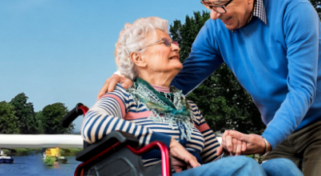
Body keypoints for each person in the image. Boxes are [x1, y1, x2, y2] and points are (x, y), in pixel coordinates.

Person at [98, 0, 321, 176]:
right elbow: (177, 81)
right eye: (208, 4)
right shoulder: (215, 29)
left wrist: (265, 142)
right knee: (276, 169)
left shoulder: (294, 11)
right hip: (278, 125)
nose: (212, 14)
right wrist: (129, 79)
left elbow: (302, 89)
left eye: (219, 5)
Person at [83, 17, 295, 176]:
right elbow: (92, 125)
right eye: (164, 43)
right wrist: (167, 143)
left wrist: (234, 146)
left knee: (281, 167)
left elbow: (215, 158)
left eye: (173, 42)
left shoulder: (189, 107)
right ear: (138, 58)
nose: (176, 46)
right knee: (246, 167)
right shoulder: (125, 95)